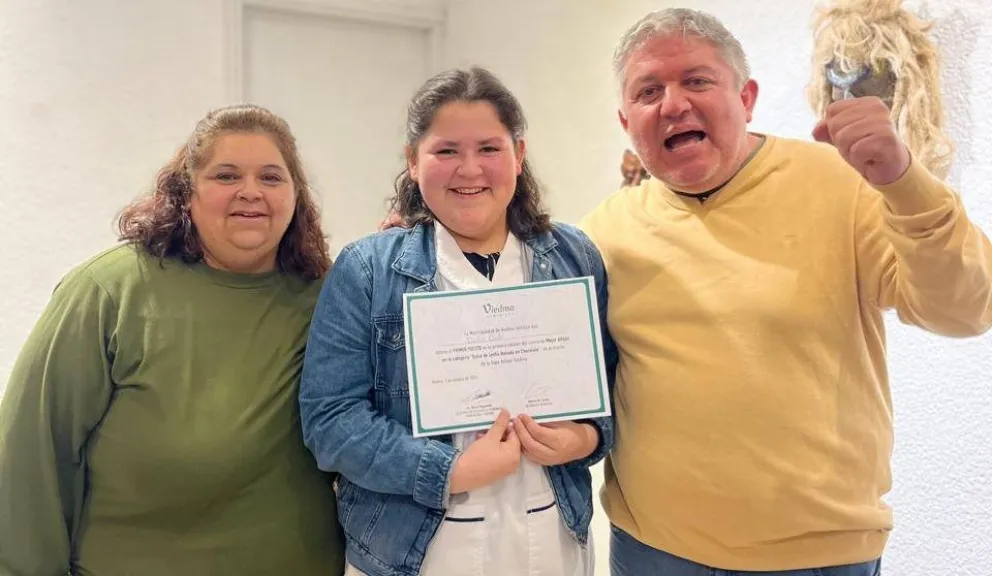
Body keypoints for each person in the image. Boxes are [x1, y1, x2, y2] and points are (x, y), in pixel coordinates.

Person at [582, 7, 992, 576]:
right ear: (627, 122)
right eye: (649, 91)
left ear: (746, 97)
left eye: (697, 81)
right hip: (654, 548)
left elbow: (965, 311)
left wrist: (904, 181)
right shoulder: (605, 230)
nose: (673, 104)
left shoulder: (841, 184)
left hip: (820, 555)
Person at [0, 104, 346, 575]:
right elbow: (32, 454)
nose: (251, 192)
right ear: (186, 192)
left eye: (271, 177)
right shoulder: (110, 293)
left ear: (295, 195)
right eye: (226, 176)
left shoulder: (329, 298)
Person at [299, 67, 616, 576]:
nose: (469, 170)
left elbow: (612, 387)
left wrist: (587, 438)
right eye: (446, 151)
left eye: (489, 149)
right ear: (413, 160)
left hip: (550, 537)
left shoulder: (572, 255)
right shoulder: (367, 269)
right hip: (411, 550)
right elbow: (331, 420)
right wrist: (449, 470)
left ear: (519, 154)